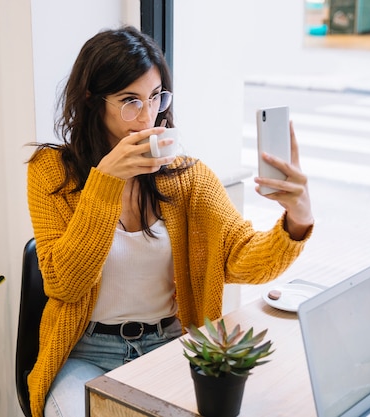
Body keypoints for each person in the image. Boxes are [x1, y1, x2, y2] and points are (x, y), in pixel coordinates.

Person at [26, 26, 314, 417]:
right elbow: (65, 282)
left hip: (169, 346)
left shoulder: (185, 178)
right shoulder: (52, 172)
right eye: (130, 101)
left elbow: (244, 258)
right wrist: (106, 183)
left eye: (156, 97)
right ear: (93, 101)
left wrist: (297, 219)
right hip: (86, 353)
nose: (148, 118)